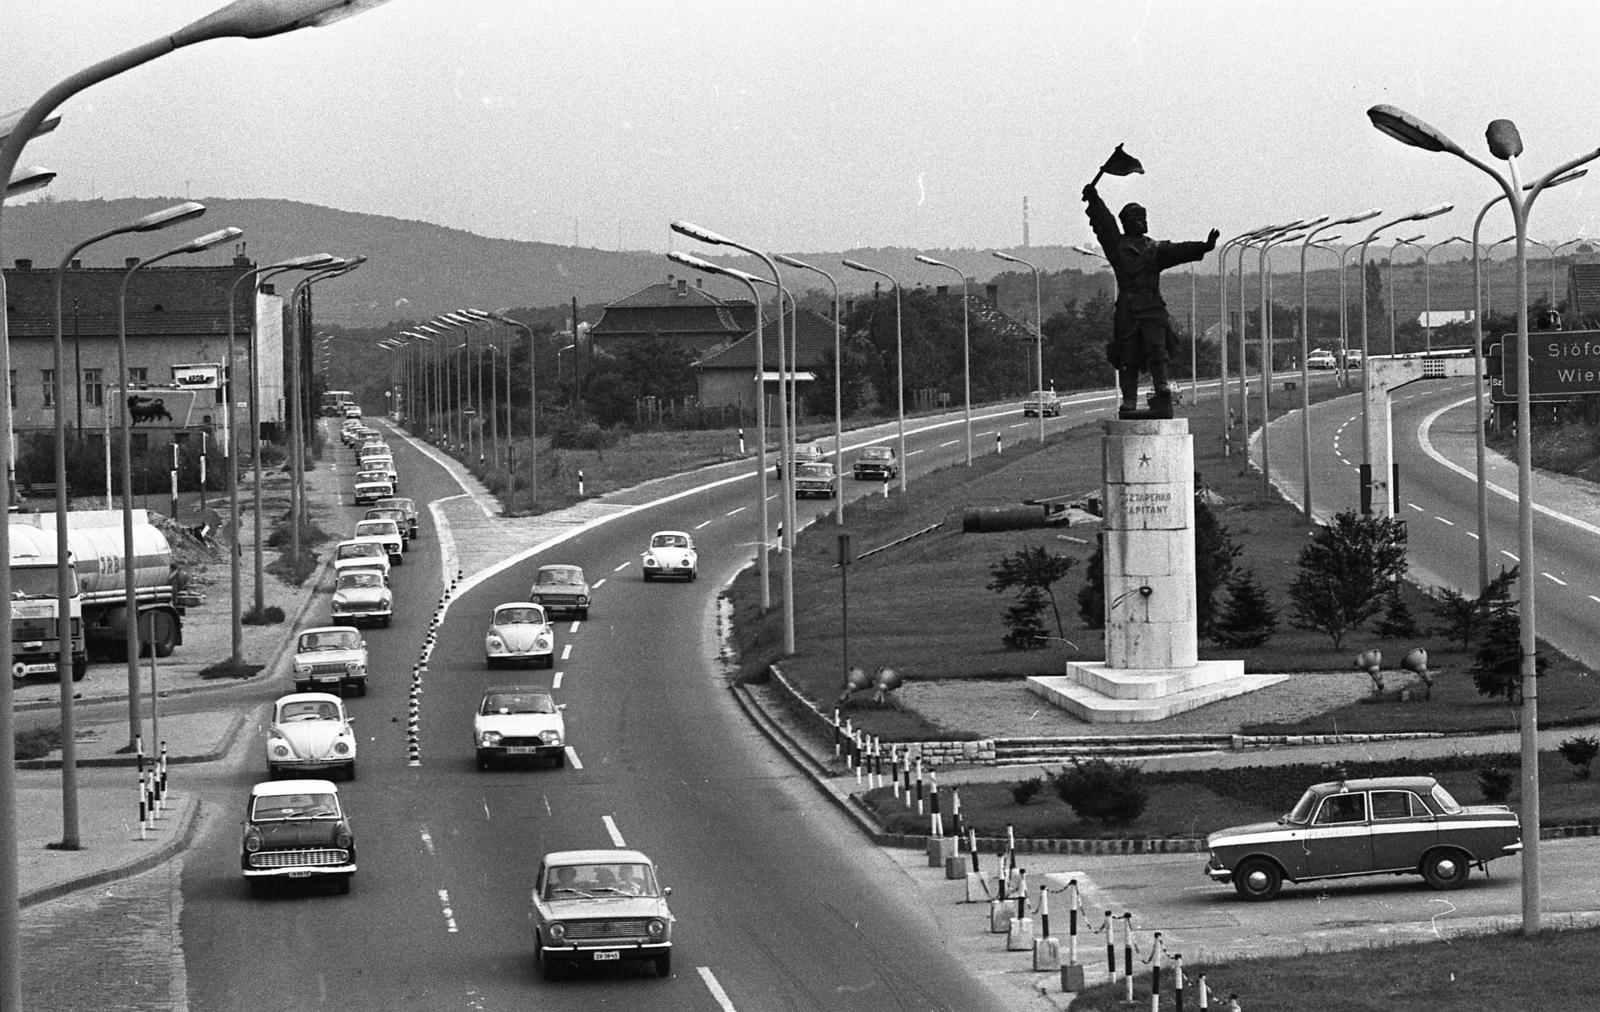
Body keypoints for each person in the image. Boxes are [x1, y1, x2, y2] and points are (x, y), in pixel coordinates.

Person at [1082, 180, 1218, 417]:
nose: (1143, 222)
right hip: (1128, 308)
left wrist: (1204, 247)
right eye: (1137, 218)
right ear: (1127, 223)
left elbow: (1178, 249)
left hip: (1153, 307)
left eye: (1144, 217)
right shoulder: (1117, 246)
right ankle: (1130, 399)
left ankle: (1161, 385)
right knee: (1128, 354)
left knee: (1157, 346)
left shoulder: (1154, 249)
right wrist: (1094, 199)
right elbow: (1105, 223)